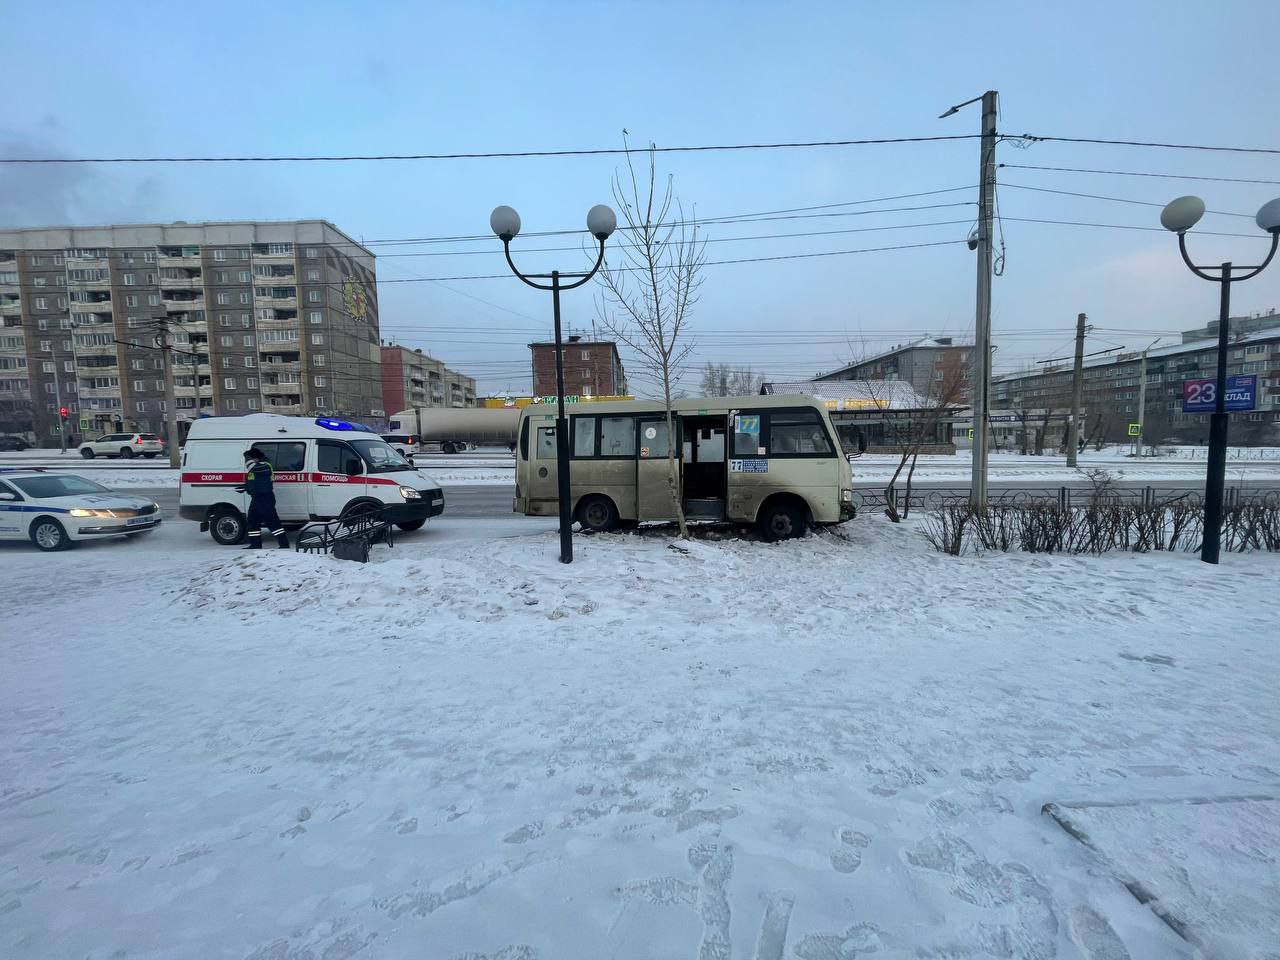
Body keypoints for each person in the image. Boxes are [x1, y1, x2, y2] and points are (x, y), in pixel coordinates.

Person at [237, 447, 289, 549]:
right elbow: (256, 482)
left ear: (256, 457)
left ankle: (284, 544)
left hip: (265, 498)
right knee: (252, 520)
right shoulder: (257, 467)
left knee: (272, 521)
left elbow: (253, 468)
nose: (249, 461)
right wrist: (245, 487)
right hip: (256, 498)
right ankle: (255, 544)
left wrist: (247, 457)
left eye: (251, 458)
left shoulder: (265, 465)